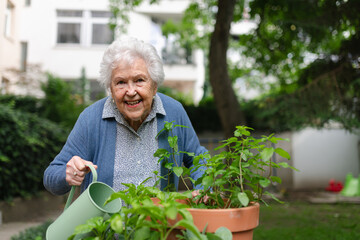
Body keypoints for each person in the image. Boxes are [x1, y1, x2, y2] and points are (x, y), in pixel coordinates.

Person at [43, 37, 207, 195]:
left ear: (154, 86)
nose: (130, 91)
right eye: (121, 82)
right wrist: (67, 174)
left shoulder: (173, 112)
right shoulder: (91, 119)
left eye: (139, 80)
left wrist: (203, 189)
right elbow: (51, 176)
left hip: (160, 222)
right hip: (105, 223)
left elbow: (198, 159)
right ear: (111, 89)